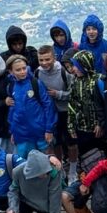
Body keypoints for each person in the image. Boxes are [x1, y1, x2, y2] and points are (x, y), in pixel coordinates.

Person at [6, 55, 57, 159]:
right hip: (21, 135)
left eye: (24, 68)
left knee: (48, 162)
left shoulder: (35, 83)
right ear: (11, 71)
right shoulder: (11, 87)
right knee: (26, 165)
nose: (22, 72)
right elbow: (12, 111)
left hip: (40, 132)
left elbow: (48, 106)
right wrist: (13, 131)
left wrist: (49, 129)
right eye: (18, 70)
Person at [35, 45, 74, 176]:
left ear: (54, 57)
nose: (44, 63)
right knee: (54, 143)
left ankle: (73, 171)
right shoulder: (38, 73)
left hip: (65, 112)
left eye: (47, 59)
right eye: (41, 60)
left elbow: (73, 93)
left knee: (71, 142)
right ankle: (60, 169)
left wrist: (59, 94)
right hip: (49, 114)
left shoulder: (63, 71)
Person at [66, 50, 107, 156]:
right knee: (86, 156)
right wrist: (71, 126)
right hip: (82, 128)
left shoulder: (99, 80)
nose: (74, 69)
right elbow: (72, 105)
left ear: (85, 65)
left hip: (98, 129)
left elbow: (105, 105)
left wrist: (100, 123)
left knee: (102, 155)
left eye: (76, 66)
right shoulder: (75, 81)